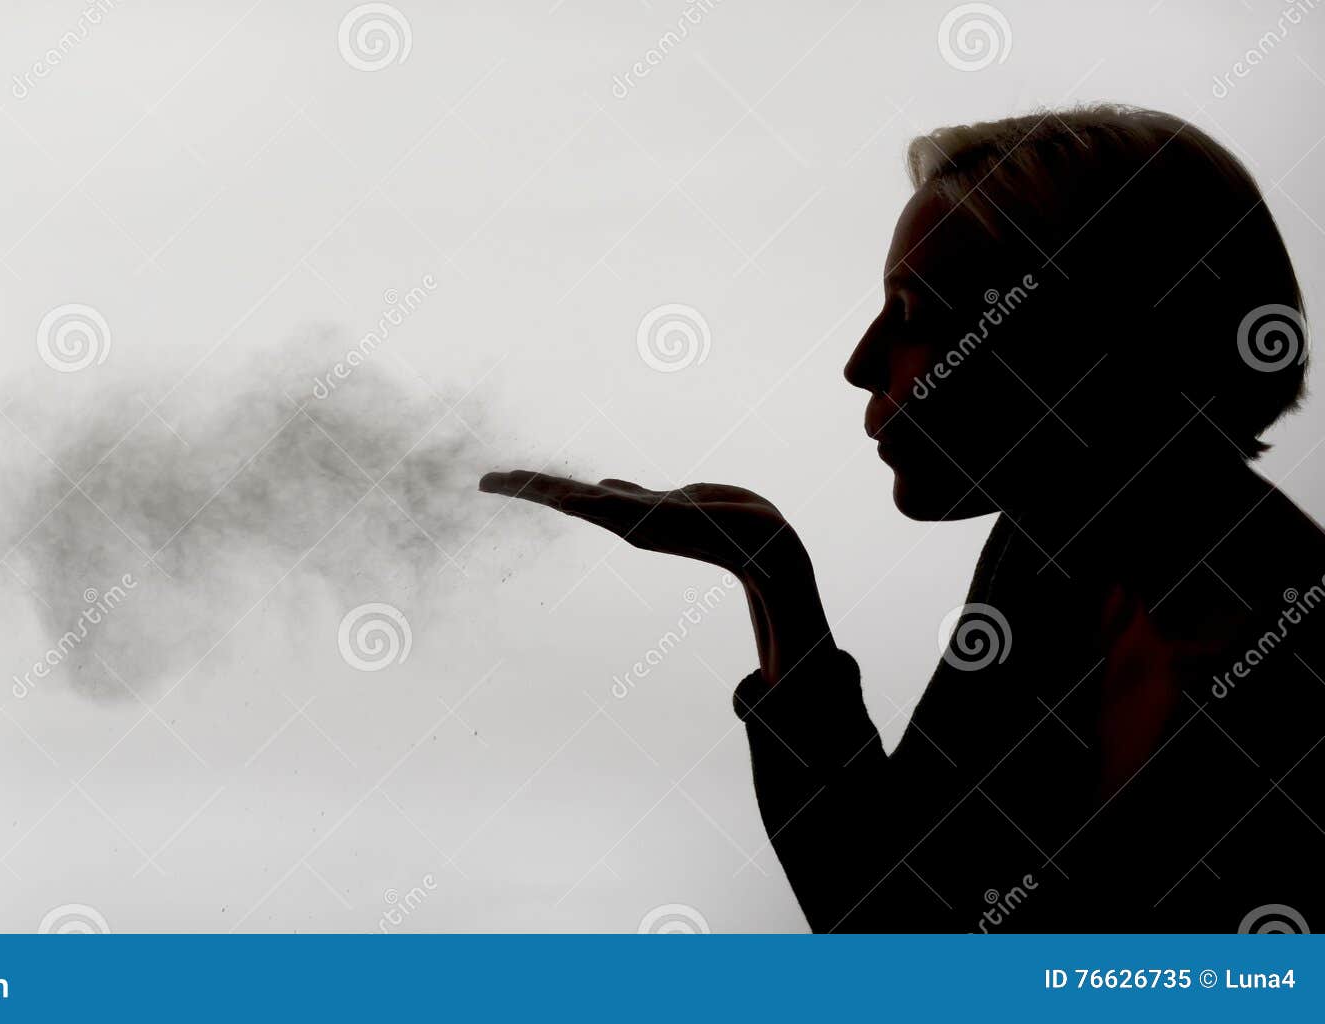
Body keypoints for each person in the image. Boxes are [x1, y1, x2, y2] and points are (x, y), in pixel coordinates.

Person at [480, 105, 1324, 932]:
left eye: (916, 314)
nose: (860, 364)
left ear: (1089, 336)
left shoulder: (1250, 653)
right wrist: (771, 578)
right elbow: (894, 909)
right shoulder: (1054, 544)